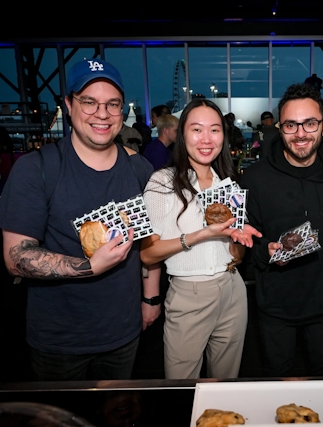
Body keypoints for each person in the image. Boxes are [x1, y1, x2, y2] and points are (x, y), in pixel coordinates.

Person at [0, 58, 160, 381]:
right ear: (68, 105)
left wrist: (150, 297)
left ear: (122, 111)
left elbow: (148, 241)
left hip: (124, 332)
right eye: (89, 102)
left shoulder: (139, 169)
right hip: (59, 341)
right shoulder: (36, 168)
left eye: (113, 105)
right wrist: (90, 267)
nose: (102, 114)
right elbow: (16, 257)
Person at [140, 99, 261, 380]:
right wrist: (201, 234)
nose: (206, 139)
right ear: (183, 135)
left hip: (233, 289)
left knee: (226, 384)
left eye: (215, 130)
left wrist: (237, 238)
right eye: (197, 130)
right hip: (189, 294)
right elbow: (147, 254)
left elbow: (236, 257)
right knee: (182, 387)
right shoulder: (163, 182)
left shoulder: (228, 184)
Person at [240, 83, 323, 377]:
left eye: (310, 123)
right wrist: (268, 252)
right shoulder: (255, 178)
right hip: (276, 305)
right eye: (291, 125)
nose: (301, 133)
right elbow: (247, 242)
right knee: (276, 386)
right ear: (279, 127)